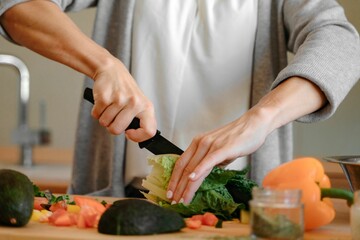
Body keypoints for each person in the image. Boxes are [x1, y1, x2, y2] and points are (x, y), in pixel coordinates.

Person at [1, 0, 359, 204]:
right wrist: (103, 64)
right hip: (123, 201)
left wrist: (260, 119)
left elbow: (342, 43)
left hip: (241, 208)